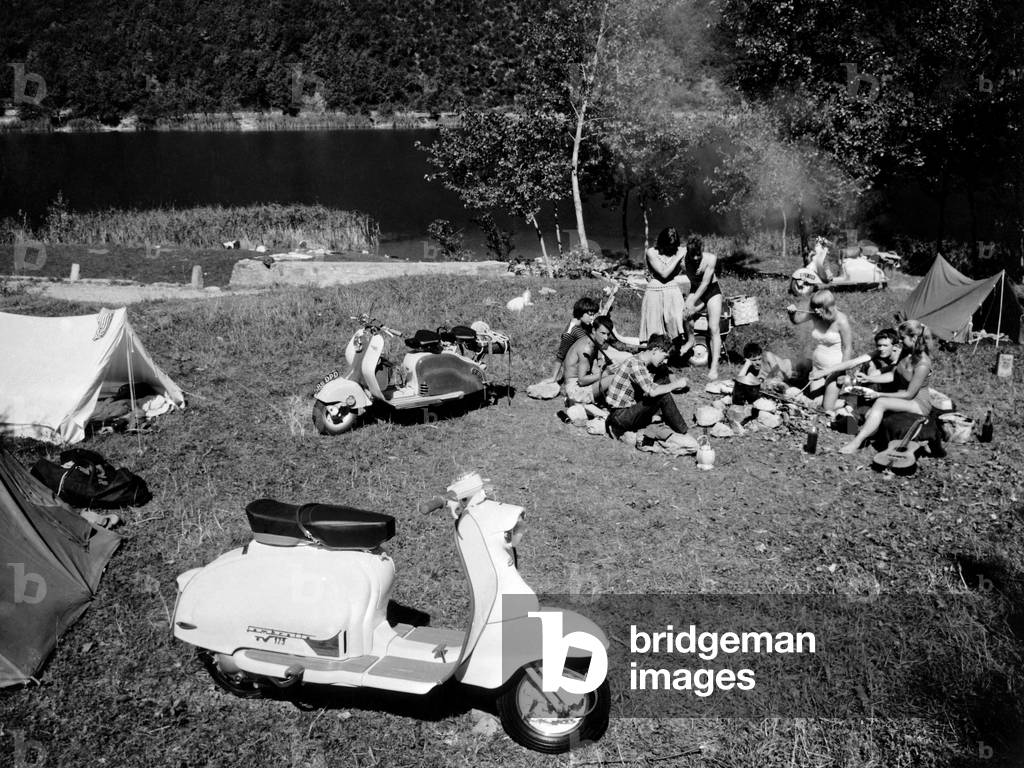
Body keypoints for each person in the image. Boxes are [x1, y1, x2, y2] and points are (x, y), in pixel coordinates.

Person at [840, 320, 936, 454]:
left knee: (880, 402)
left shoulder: (923, 363)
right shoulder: (906, 353)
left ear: (914, 338)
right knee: (873, 401)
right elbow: (893, 375)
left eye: (903, 338)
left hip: (918, 402)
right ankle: (858, 424)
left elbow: (909, 394)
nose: (900, 342)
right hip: (903, 396)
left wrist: (879, 394)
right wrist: (869, 378)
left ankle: (857, 442)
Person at [762, 289, 853, 411]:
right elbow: (796, 320)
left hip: (834, 370)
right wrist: (792, 313)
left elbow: (847, 348)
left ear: (828, 306)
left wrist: (842, 372)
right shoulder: (815, 314)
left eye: (819, 307)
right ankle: (833, 400)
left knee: (827, 409)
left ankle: (849, 402)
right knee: (815, 405)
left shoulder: (841, 320)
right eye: (814, 306)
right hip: (817, 368)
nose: (815, 310)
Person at [604, 334, 690, 439]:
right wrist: (676, 384)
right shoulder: (635, 364)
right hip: (620, 416)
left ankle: (659, 418)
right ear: (655, 350)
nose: (665, 361)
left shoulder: (639, 359)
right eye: (665, 356)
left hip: (624, 411)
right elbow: (652, 391)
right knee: (662, 395)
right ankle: (683, 432)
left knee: (663, 378)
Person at [681, 235, 724, 380]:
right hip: (695, 290)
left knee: (713, 327)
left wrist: (693, 302)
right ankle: (691, 339)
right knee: (685, 314)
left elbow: (705, 284)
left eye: (697, 254)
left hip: (712, 291)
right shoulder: (684, 258)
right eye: (691, 255)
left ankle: (714, 367)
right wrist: (690, 305)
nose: (694, 258)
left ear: (702, 250)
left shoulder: (711, 259)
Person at [639, 227, 688, 348]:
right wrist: (678, 257)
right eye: (667, 246)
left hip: (672, 291)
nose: (670, 250)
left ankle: (677, 353)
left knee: (676, 321)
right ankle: (654, 353)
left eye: (673, 247)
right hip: (654, 292)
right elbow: (664, 274)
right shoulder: (652, 252)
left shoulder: (681, 250)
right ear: (661, 243)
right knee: (654, 326)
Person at [564, 315, 614, 415]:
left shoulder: (593, 343)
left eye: (608, 334)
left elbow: (596, 368)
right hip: (575, 389)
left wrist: (603, 366)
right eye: (603, 333)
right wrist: (605, 373)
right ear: (594, 330)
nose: (606, 338)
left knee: (613, 374)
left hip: (580, 385)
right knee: (613, 377)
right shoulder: (586, 348)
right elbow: (582, 380)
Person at [545, 296, 599, 384]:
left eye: (593, 315)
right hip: (578, 372)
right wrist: (553, 377)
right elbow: (560, 355)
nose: (592, 318)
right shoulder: (570, 331)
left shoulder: (586, 325)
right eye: (590, 314)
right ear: (581, 312)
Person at [856, 328, 902, 393]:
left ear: (895, 346)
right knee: (867, 363)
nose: (881, 349)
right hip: (881, 379)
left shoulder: (901, 359)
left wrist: (872, 369)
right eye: (879, 345)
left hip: (897, 391)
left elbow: (874, 375)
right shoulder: (881, 353)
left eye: (885, 346)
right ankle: (859, 390)